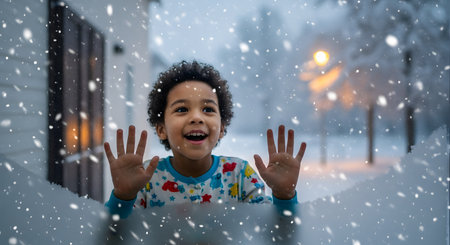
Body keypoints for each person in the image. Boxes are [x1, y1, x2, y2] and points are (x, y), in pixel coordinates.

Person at [105, 60, 307, 218]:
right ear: (161, 129)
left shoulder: (240, 176)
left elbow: (274, 234)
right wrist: (123, 196)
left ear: (222, 128)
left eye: (208, 109)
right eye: (182, 109)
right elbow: (112, 235)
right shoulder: (145, 180)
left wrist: (284, 196)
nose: (196, 117)